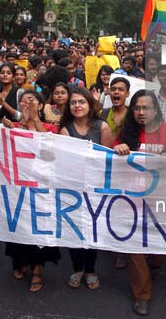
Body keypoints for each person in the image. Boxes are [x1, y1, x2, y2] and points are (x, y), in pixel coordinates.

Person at [113, 90, 166, 315]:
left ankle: (155, 265)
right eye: (137, 108)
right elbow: (109, 160)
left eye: (147, 107)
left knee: (157, 246)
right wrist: (119, 150)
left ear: (156, 110)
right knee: (136, 249)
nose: (142, 112)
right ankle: (141, 295)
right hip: (132, 201)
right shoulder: (126, 133)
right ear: (132, 111)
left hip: (160, 200)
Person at [1, 90, 60, 292]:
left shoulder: (50, 128)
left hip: (42, 187)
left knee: (39, 227)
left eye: (31, 100)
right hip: (19, 187)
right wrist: (18, 126)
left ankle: (37, 268)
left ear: (41, 105)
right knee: (20, 225)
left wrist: (34, 119)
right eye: (23, 101)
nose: (26, 103)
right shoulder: (15, 127)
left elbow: (50, 151)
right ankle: (21, 260)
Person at [60, 86, 114, 291]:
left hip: (96, 190)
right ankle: (78, 268)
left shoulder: (102, 127)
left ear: (90, 105)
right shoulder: (65, 130)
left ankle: (90, 269)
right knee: (73, 230)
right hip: (72, 188)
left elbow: (109, 159)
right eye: (73, 102)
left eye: (81, 102)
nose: (77, 106)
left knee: (91, 229)